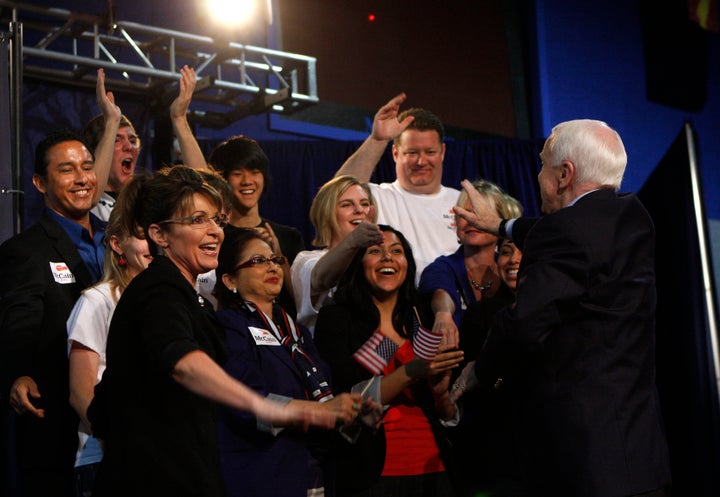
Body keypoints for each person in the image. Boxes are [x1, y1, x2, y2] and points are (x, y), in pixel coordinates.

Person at [451, 119, 672, 496]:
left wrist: (478, 371)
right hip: (637, 459)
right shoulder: (634, 217)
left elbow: (523, 325)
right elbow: (566, 231)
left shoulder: (565, 233)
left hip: (584, 467)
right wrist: (503, 226)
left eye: (543, 165)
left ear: (564, 174)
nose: (539, 175)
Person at [88, 166, 333, 497]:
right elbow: (182, 361)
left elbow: (105, 402)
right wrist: (267, 407)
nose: (215, 231)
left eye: (217, 220)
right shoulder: (159, 291)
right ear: (159, 235)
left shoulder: (190, 299)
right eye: (197, 220)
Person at [0, 123, 114, 496]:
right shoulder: (26, 250)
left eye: (86, 166)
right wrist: (19, 374)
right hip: (62, 421)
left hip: (126, 411)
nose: (82, 178)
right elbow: (19, 322)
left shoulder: (120, 239)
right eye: (66, 170)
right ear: (39, 183)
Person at [213, 228, 367, 497]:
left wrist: (351, 411)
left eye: (274, 259)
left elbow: (323, 396)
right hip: (263, 474)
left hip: (314, 472)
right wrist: (319, 411)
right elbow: (246, 403)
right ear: (229, 280)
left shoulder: (296, 332)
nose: (272, 266)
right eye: (258, 261)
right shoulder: (228, 327)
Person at [314, 225, 465, 497]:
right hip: (373, 475)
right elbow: (349, 396)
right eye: (375, 251)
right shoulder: (339, 318)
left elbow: (446, 410)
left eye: (397, 251)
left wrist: (442, 395)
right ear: (358, 264)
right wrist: (411, 370)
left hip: (436, 469)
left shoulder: (420, 319)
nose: (387, 258)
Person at [66, 179, 152, 497]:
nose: (152, 247)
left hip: (158, 462)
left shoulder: (167, 304)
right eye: (142, 237)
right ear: (117, 244)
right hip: (105, 460)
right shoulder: (97, 301)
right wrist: (119, 446)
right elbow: (81, 394)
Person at [335, 94, 460, 278]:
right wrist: (378, 139)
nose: (421, 161)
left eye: (430, 152)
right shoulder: (378, 197)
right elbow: (338, 192)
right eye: (412, 152)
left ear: (442, 152)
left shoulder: (462, 202)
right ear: (395, 153)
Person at [450, 237, 526, 497]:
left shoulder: (563, 309)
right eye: (505, 252)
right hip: (499, 447)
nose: (513, 259)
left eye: (522, 251)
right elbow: (474, 387)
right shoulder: (480, 315)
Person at [83, 65, 206, 220]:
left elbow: (205, 189)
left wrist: (179, 118)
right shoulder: (82, 202)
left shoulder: (151, 199)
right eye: (116, 140)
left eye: (133, 140)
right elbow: (90, 196)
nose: (129, 147)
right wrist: (111, 124)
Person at [208, 134, 305, 315]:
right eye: (237, 173)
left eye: (254, 172)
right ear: (223, 180)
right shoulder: (215, 236)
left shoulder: (289, 237)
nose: (247, 181)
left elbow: (303, 303)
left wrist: (278, 256)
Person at [419, 180, 523, 342]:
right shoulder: (442, 268)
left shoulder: (512, 267)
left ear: (500, 224)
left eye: (481, 213)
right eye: (465, 213)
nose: (472, 220)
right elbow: (440, 289)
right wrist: (444, 315)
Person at [291, 175, 383, 333]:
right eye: (347, 205)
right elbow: (321, 278)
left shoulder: (377, 263)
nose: (359, 210)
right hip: (323, 354)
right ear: (327, 214)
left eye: (365, 204)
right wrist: (353, 241)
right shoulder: (307, 260)